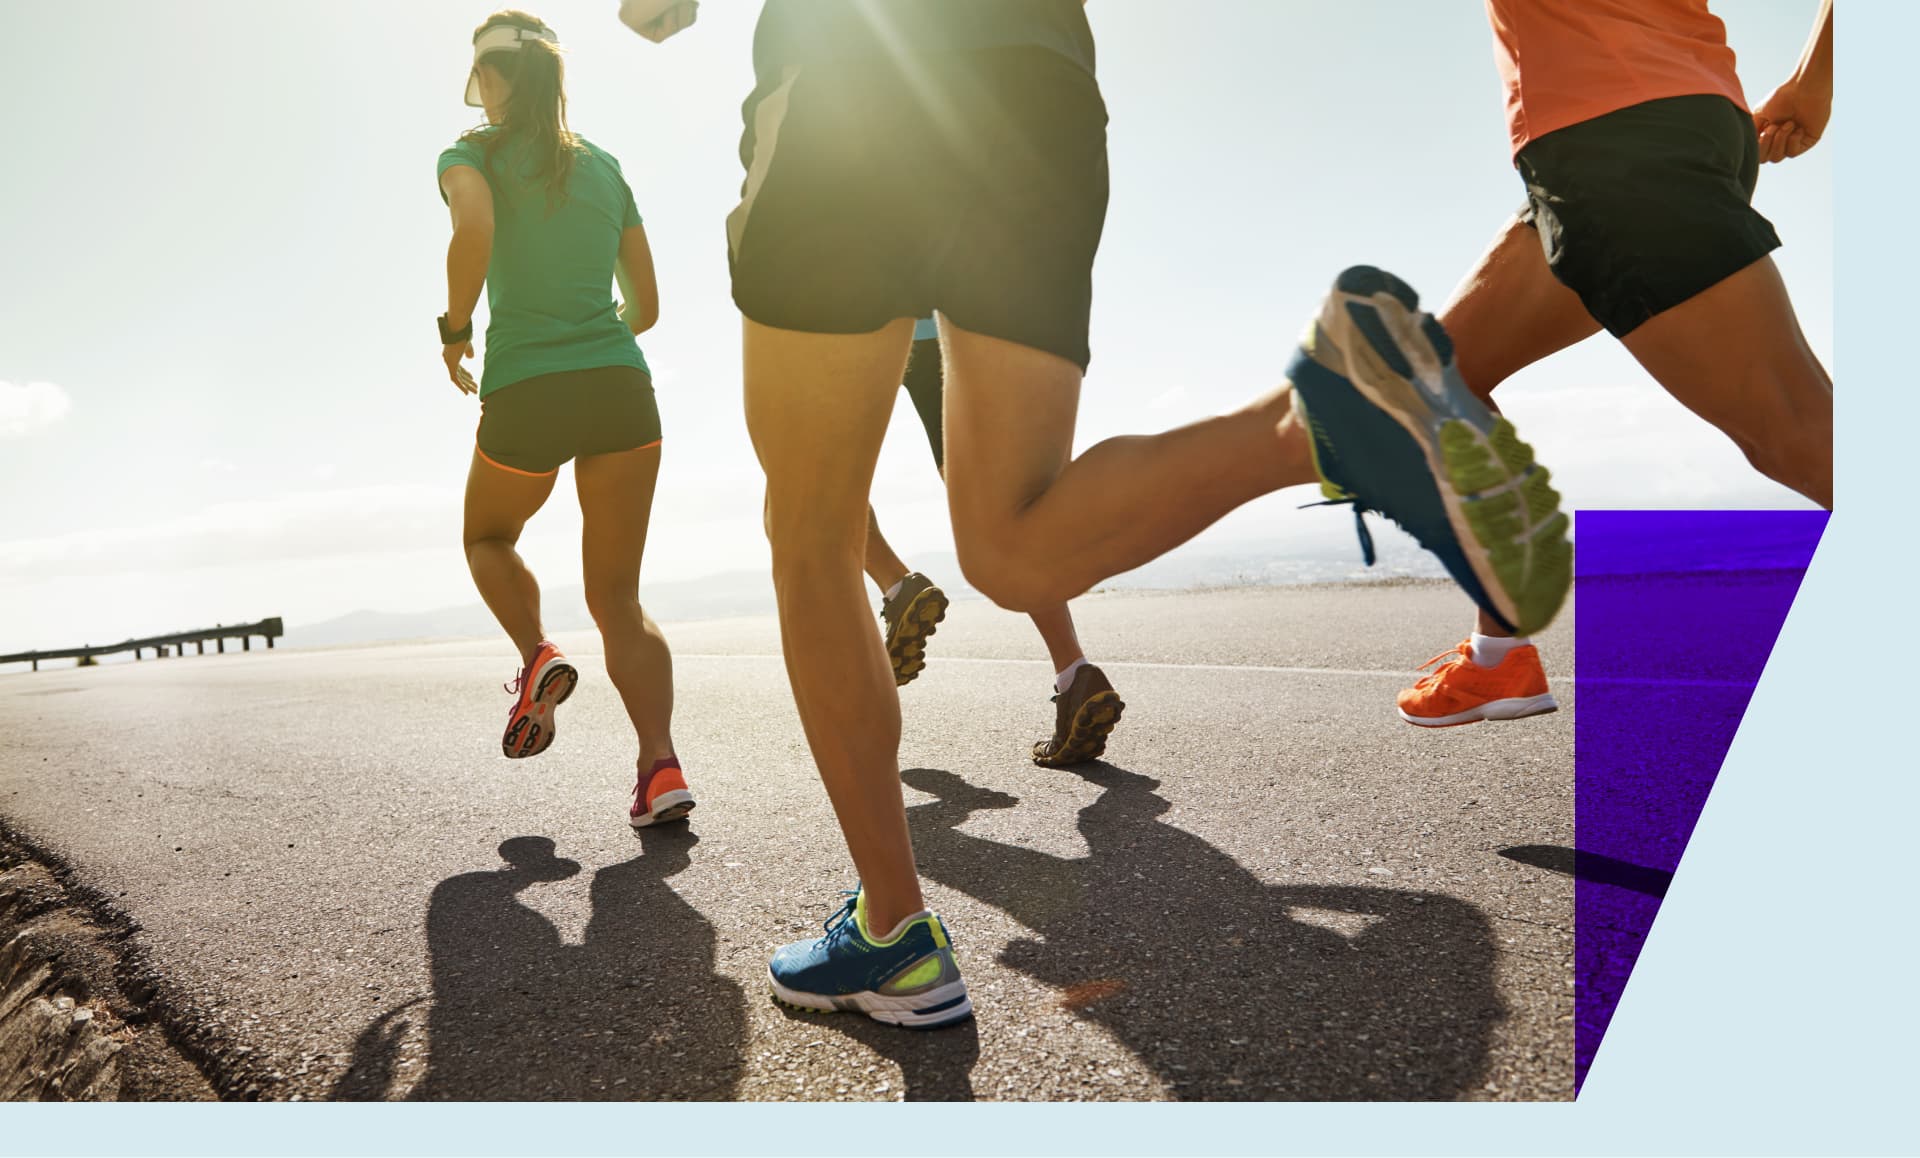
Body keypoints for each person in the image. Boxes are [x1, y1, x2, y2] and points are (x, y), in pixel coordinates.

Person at [623, 0, 1571, 1027]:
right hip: (1041, 86)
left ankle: (893, 934)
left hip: (849, 82)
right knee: (1015, 543)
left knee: (809, 534)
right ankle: (1320, 420)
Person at [1394, 0, 1835, 729]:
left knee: (1798, 435)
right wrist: (1811, 81)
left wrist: (1810, 82)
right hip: (1632, 130)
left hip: (1615, 139)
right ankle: (1498, 658)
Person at [440, 9, 693, 829]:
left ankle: (536, 652)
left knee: (488, 537)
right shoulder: (606, 166)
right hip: (621, 384)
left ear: (494, 79)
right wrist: (599, 324)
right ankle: (661, 769)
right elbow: (647, 306)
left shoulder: (469, 154)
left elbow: (473, 230)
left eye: (480, 76)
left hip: (528, 388)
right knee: (619, 595)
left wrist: (455, 330)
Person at [867, 318, 1125, 768]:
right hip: (944, 323)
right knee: (997, 501)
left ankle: (895, 584)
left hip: (851, 324)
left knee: (817, 485)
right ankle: (1074, 671)